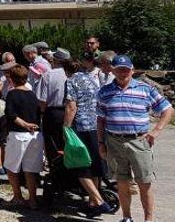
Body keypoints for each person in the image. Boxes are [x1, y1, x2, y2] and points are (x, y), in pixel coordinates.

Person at [97, 55, 173, 222]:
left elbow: (167, 110)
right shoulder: (104, 91)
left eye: (126, 69)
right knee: (122, 181)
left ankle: (148, 219)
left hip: (139, 142)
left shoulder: (145, 89)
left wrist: (156, 130)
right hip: (114, 141)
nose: (123, 73)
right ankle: (127, 217)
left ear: (132, 70)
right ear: (113, 70)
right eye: (119, 70)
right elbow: (101, 119)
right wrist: (101, 142)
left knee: (144, 182)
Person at [63, 51, 114, 217]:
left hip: (82, 126)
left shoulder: (71, 81)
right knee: (94, 166)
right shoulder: (91, 79)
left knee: (80, 165)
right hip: (97, 125)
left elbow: (71, 106)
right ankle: (93, 204)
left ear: (67, 70)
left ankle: (98, 200)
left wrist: (66, 128)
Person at [3, 64, 44, 210]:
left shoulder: (12, 94)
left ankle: (17, 196)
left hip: (18, 135)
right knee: (30, 169)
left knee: (11, 167)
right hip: (35, 136)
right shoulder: (33, 94)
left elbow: (10, 115)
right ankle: (32, 199)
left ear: (12, 79)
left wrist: (24, 124)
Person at [37, 48, 70, 165]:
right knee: (67, 142)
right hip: (70, 111)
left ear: (55, 60)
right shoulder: (71, 74)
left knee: (52, 144)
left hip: (52, 113)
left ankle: (55, 171)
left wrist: (41, 114)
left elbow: (42, 100)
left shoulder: (48, 75)